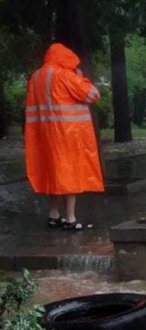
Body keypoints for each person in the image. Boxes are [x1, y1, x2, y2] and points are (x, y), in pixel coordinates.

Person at [25, 43, 103, 231]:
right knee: (70, 175)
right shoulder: (65, 75)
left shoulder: (36, 77)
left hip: (43, 136)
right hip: (67, 134)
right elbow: (93, 95)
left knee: (53, 173)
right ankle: (71, 219)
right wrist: (81, 78)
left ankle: (53, 215)